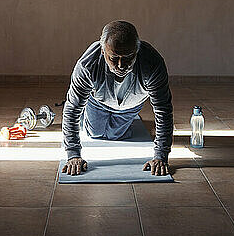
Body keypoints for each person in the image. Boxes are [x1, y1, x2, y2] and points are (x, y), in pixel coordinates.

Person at [61, 20, 173, 176]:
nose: (121, 65)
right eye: (114, 58)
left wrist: (161, 156)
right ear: (103, 51)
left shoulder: (153, 64)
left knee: (114, 135)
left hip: (131, 105)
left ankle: (124, 116)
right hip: (98, 102)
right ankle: (86, 114)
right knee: (96, 133)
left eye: (128, 57)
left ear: (137, 50)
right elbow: (72, 109)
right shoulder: (87, 65)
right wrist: (73, 154)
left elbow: (163, 110)